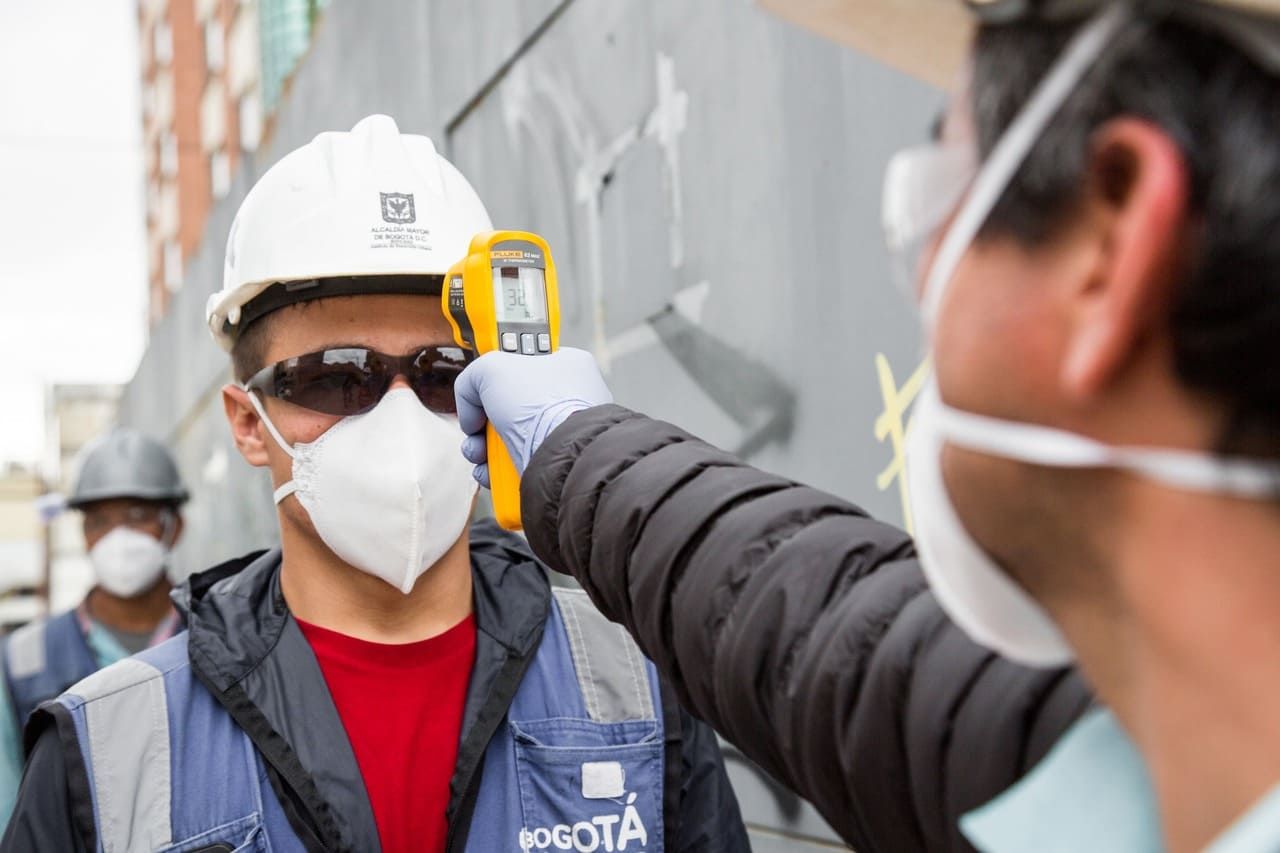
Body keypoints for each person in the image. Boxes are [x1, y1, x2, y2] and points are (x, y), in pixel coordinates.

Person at [454, 1, 1280, 850]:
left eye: (939, 197)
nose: (924, 273)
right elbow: (825, 638)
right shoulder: (1125, 752)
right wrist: (578, 441)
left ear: (1113, 243)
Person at [0, 115, 745, 853]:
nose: (399, 417)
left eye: (443, 373)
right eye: (335, 378)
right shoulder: (102, 754)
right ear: (249, 422)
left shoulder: (642, 684)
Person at [0, 427, 185, 829]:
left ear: (176, 526)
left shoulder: (221, 637)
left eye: (138, 516)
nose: (117, 536)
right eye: (99, 520)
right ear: (83, 534)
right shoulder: (21, 659)